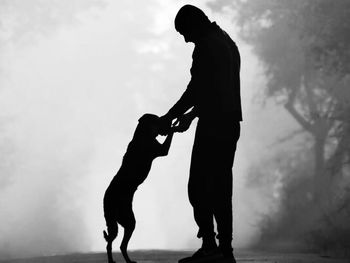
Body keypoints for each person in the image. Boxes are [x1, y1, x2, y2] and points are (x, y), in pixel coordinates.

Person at [159, 5, 242, 263]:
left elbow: (199, 89)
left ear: (194, 25)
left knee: (198, 187)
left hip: (214, 124)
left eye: (185, 32)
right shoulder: (226, 41)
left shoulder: (207, 46)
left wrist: (176, 115)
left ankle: (209, 246)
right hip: (229, 122)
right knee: (221, 188)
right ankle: (224, 251)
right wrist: (184, 115)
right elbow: (214, 89)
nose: (185, 39)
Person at [103, 114, 175, 263]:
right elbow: (164, 151)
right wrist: (172, 132)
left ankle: (117, 252)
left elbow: (162, 150)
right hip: (118, 192)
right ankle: (114, 253)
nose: (156, 129)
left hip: (121, 191)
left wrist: (170, 131)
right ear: (148, 127)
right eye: (154, 125)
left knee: (126, 225)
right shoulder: (142, 143)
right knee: (119, 228)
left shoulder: (143, 142)